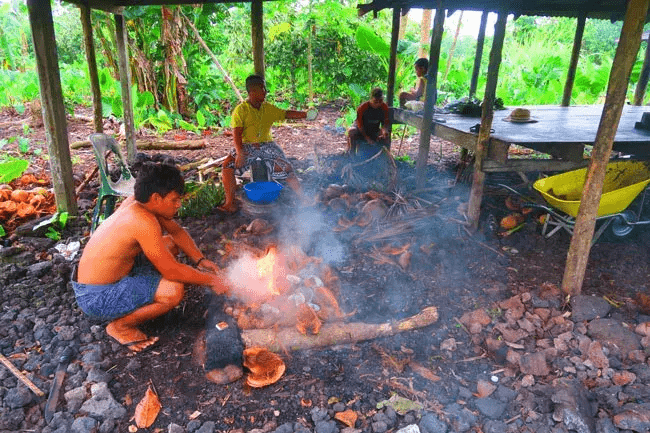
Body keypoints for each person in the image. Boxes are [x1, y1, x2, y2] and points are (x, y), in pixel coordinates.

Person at [72, 162, 230, 353]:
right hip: (96, 297)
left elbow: (177, 233)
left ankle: (146, 291)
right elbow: (171, 271)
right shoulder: (143, 222)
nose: (179, 204)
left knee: (169, 244)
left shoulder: (140, 203)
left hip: (114, 276)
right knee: (174, 290)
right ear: (156, 198)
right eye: (174, 200)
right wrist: (213, 280)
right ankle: (120, 326)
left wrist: (199, 260)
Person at [219, 75, 311, 213]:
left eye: (264, 88)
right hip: (247, 146)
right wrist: (240, 152)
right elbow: (237, 134)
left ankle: (304, 199)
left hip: (267, 145)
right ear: (252, 92)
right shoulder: (241, 110)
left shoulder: (268, 108)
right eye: (262, 88)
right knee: (227, 166)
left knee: (286, 167)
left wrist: (306, 114)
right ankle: (230, 203)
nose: (265, 91)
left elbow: (286, 114)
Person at [347, 87, 390, 154]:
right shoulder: (363, 108)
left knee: (386, 137)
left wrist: (384, 131)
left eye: (380, 101)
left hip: (374, 130)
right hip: (360, 130)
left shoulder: (384, 107)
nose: (378, 104)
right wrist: (367, 138)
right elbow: (360, 125)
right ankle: (352, 153)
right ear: (371, 99)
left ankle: (385, 157)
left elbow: (385, 123)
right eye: (375, 102)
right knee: (352, 131)